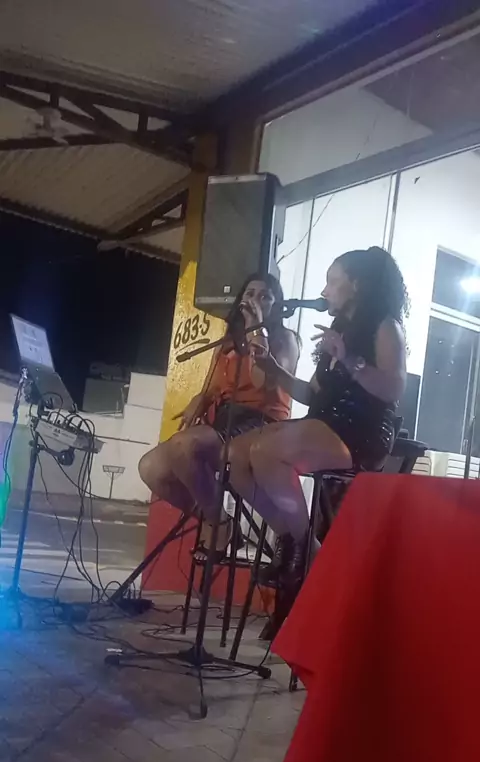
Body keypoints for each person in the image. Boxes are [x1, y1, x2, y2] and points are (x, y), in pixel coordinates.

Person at [228, 246, 408, 582]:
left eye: (332, 281)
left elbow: (394, 388)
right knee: (236, 454)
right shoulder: (339, 330)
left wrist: (350, 360)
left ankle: (308, 551)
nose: (324, 291)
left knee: (265, 451)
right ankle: (292, 538)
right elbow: (312, 394)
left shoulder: (386, 327)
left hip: (360, 432)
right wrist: (275, 370)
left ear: (356, 285)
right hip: (325, 422)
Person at [138, 273, 299, 558]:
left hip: (261, 424)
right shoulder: (227, 342)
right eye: (250, 294)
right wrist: (200, 399)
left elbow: (262, 381)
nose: (255, 300)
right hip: (226, 419)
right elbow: (213, 387)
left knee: (184, 446)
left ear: (277, 305)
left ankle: (219, 527)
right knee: (151, 468)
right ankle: (220, 521)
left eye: (265, 296)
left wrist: (255, 329)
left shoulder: (284, 339)